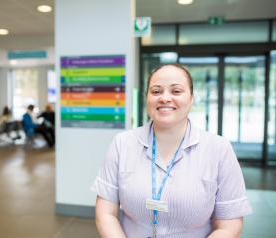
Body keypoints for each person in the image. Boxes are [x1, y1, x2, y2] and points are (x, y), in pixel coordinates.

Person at [91, 64, 252, 238]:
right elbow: (105, 213)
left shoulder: (219, 149)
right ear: (147, 98)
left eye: (176, 91)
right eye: (156, 91)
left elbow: (230, 225)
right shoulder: (122, 144)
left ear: (191, 98)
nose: (165, 98)